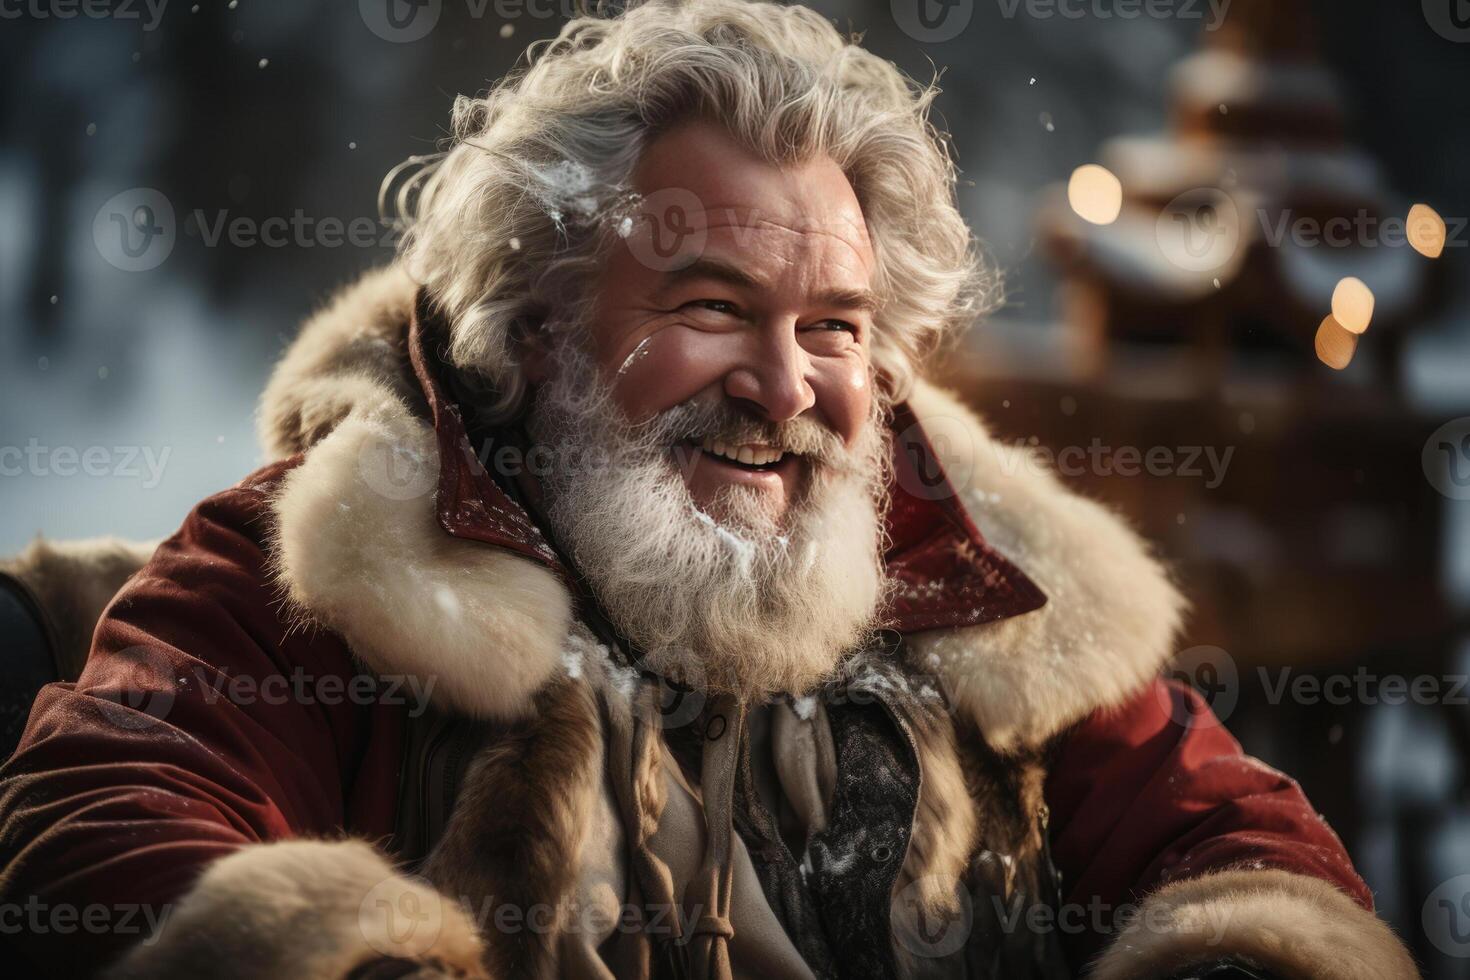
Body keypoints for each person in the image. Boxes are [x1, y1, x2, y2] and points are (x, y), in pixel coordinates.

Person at [0, 1, 1417, 977]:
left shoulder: (985, 581)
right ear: (540, 322)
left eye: (834, 328)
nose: (785, 386)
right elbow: (103, 815)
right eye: (712, 306)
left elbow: (1234, 846)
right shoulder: (342, 545)